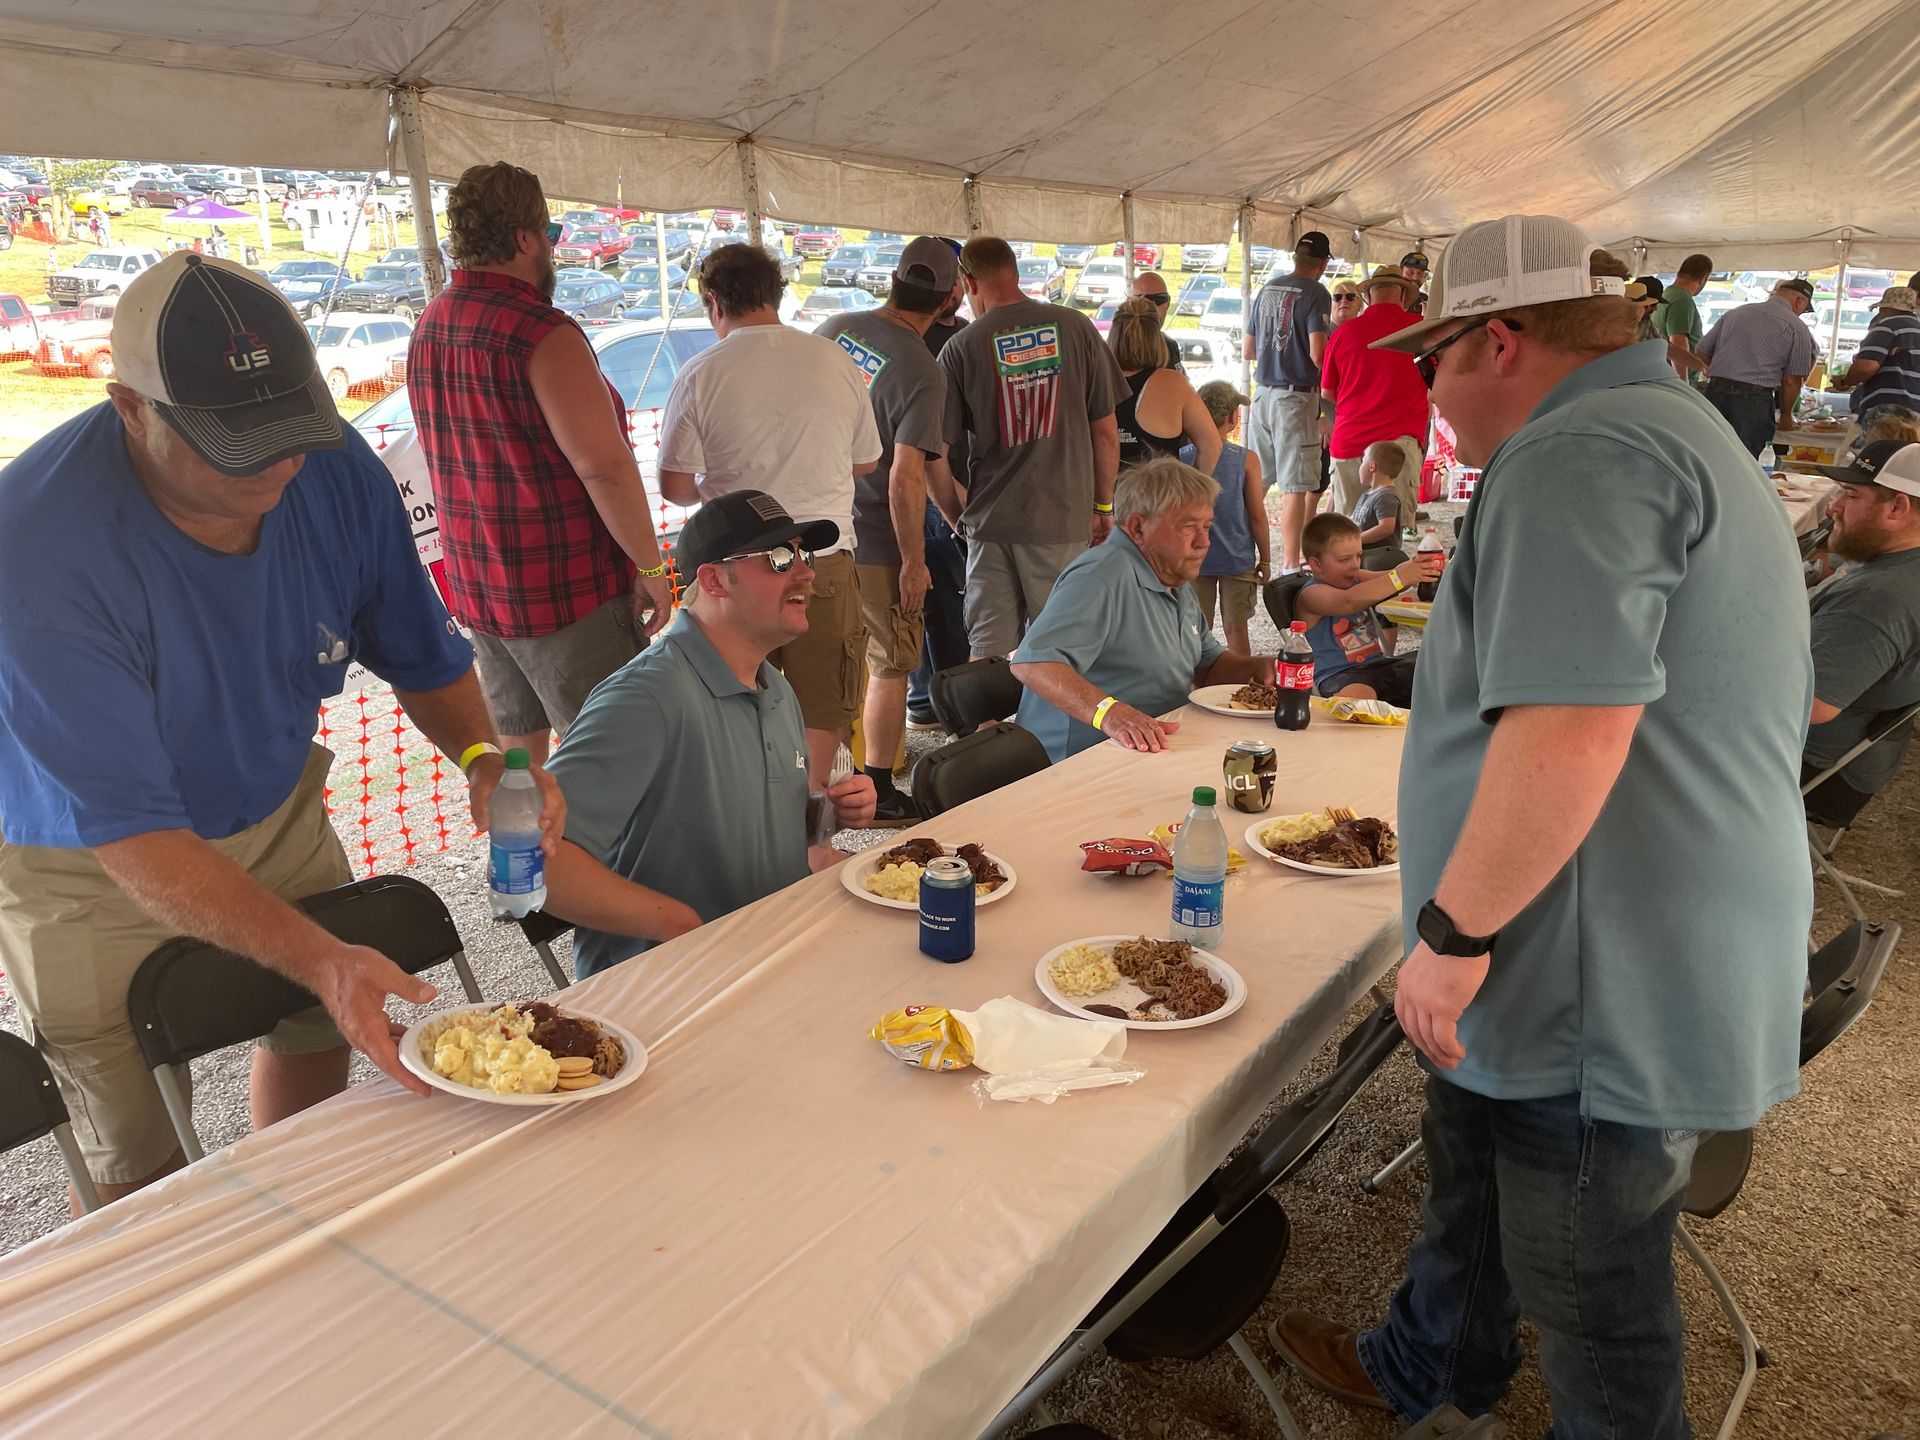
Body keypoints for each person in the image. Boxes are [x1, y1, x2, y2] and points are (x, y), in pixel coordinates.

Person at [1269, 215, 1812, 1439]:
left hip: (1596, 959)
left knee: (1591, 1294)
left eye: (1433, 359)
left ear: (1499, 341)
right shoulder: (1662, 424)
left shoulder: (1587, 450)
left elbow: (1573, 730)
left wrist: (1455, 935)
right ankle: (1434, 1359)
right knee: (1475, 1165)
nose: (1425, 392)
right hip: (1579, 936)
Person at [0, 253, 559, 1211]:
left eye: (293, 426)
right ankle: (168, 1284)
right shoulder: (37, 551)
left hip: (271, 791)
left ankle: (295, 1206)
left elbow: (423, 655)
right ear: (131, 407)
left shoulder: (337, 471)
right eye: (238, 442)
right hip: (89, 856)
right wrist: (315, 953)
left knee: (320, 1020)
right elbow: (135, 835)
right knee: (132, 1135)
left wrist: (482, 760)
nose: (281, 461)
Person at [542, 492, 876, 979]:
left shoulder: (774, 685)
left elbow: (754, 826)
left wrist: (829, 812)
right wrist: (678, 924)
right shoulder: (645, 697)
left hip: (766, 957)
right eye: (781, 558)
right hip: (667, 985)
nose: (807, 572)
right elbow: (535, 864)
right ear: (715, 579)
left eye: (805, 555)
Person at [409, 161, 676, 766]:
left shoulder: (430, 324)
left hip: (482, 586)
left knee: (521, 769)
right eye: (549, 234)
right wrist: (651, 565)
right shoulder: (541, 331)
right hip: (565, 591)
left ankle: (527, 863)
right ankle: (605, 865)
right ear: (526, 238)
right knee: (620, 763)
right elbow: (603, 466)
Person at [659, 242, 882, 781]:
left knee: (728, 701)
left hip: (734, 568)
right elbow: (867, 462)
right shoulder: (835, 360)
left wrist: (717, 489)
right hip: (821, 557)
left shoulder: (701, 371)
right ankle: (805, 822)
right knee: (822, 706)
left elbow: (674, 485)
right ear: (776, 295)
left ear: (714, 302)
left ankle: (749, 817)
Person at [813, 238, 961, 824]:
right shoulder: (923, 370)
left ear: (892, 280)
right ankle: (877, 785)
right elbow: (906, 476)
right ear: (951, 298)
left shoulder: (831, 328)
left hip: (812, 532)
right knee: (891, 662)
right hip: (874, 537)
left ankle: (801, 787)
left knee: (816, 665)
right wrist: (913, 561)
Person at [1009, 456, 1276, 763]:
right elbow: (1033, 663)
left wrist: (1259, 669)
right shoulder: (1101, 575)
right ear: (1138, 527)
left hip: (1147, 751)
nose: (1204, 542)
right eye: (1188, 526)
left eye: (1207, 526)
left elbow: (1208, 666)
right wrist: (1111, 714)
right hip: (1075, 762)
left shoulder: (1172, 577)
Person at [938, 236, 1126, 659]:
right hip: (1059, 521)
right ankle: (1050, 728)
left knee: (987, 651)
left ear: (968, 281)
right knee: (1059, 649)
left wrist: (958, 519)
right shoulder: (1076, 327)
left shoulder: (961, 347)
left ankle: (986, 726)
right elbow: (1106, 432)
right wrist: (1102, 508)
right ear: (1016, 272)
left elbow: (935, 454)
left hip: (990, 524)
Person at [1799, 439, 1920, 825]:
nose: (1833, 506)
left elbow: (1811, 705)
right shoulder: (1898, 567)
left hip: (1815, 769)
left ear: (1898, 507)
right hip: (1857, 755)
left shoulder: (1879, 599)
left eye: (1850, 495)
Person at [907, 243, 972, 729]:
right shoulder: (910, 341)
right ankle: (937, 704)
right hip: (924, 486)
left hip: (959, 482)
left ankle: (937, 699)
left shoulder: (966, 337)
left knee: (950, 595)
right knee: (938, 596)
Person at [1245, 231, 1333, 573]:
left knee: (1257, 478)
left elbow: (1249, 350)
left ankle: (1246, 550)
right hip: (1295, 397)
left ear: (1295, 258)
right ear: (1323, 264)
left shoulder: (1267, 288)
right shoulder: (1316, 293)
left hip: (1263, 392)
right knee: (1295, 484)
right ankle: (1290, 562)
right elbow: (1317, 353)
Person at [1293, 513, 1436, 705]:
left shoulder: (1355, 576)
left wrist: (1415, 566)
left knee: (1432, 676)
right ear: (1316, 564)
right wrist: (1401, 577)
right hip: (1339, 675)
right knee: (1359, 700)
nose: (1354, 565)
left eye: (1358, 556)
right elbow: (1348, 602)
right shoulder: (1311, 594)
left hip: (1378, 665)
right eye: (1344, 560)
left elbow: (1389, 577)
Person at [1320, 267, 1427, 519]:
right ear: (1402, 294)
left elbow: (1327, 392)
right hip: (1398, 447)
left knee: (1347, 538)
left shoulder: (1343, 333)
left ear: (1367, 295)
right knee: (1392, 538)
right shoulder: (1421, 330)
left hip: (1350, 441)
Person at [1188, 381, 1267, 655]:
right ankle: (1240, 685)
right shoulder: (1247, 459)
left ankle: (1195, 687)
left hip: (1195, 558)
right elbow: (1257, 514)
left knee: (1198, 630)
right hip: (1237, 558)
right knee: (1237, 630)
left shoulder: (1183, 457)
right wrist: (1266, 559)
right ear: (1233, 417)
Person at [1698, 275, 1817, 456]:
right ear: (1799, 301)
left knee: (1709, 453)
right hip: (1753, 400)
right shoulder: (1797, 327)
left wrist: (1725, 370)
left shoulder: (1736, 312)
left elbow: (1702, 352)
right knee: (1747, 460)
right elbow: (1792, 380)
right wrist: (1786, 417)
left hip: (1715, 392)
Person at [1109, 297, 1221, 473]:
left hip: (1103, 496)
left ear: (1114, 335)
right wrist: (1190, 492)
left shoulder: (1093, 378)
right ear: (1156, 338)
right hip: (1161, 497)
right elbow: (1211, 446)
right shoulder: (1173, 383)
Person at [1829, 286, 1920, 424]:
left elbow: (1865, 367)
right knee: (1908, 446)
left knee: (1881, 445)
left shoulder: (1887, 325)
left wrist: (1845, 382)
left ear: (1886, 308)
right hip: (1916, 415)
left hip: (1888, 412)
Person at [1653, 252, 1712, 378]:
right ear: (1703, 278)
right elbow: (1678, 343)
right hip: (1673, 377)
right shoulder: (1682, 299)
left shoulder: (1669, 293)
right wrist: (1683, 382)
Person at [1351, 440, 1408, 551]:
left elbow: (1386, 527)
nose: (1360, 466)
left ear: (1372, 466)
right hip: (1367, 554)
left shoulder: (1385, 496)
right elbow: (1355, 520)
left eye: (1362, 461)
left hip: (1380, 558)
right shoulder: (1367, 494)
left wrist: (1356, 540)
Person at [1128, 270, 1185, 371]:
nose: (1152, 308)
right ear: (1129, 304)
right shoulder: (1116, 349)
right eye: (1142, 301)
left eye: (1159, 299)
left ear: (1168, 303)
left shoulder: (1169, 345)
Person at [1629, 275, 1665, 341]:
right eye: (1654, 304)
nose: (1655, 309)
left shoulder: (1646, 321)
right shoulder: (1620, 325)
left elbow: (1664, 343)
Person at [1398, 251, 1430, 316]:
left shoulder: (1426, 299)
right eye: (1410, 272)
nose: (1415, 278)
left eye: (1419, 273)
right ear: (1400, 271)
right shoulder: (1391, 297)